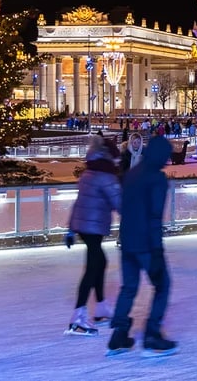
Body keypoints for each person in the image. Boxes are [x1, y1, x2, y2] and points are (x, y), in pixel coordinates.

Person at [107, 135, 178, 357]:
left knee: (129, 287)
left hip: (127, 241)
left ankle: (119, 334)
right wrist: (157, 250)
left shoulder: (131, 175)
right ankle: (151, 334)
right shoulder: (157, 179)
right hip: (146, 244)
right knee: (163, 285)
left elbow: (124, 208)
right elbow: (154, 217)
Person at [65, 134, 122, 336]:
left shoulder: (89, 173)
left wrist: (71, 229)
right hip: (92, 227)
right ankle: (78, 318)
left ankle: (100, 307)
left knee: (100, 263)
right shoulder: (105, 176)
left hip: (85, 227)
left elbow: (78, 203)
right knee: (92, 268)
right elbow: (120, 203)